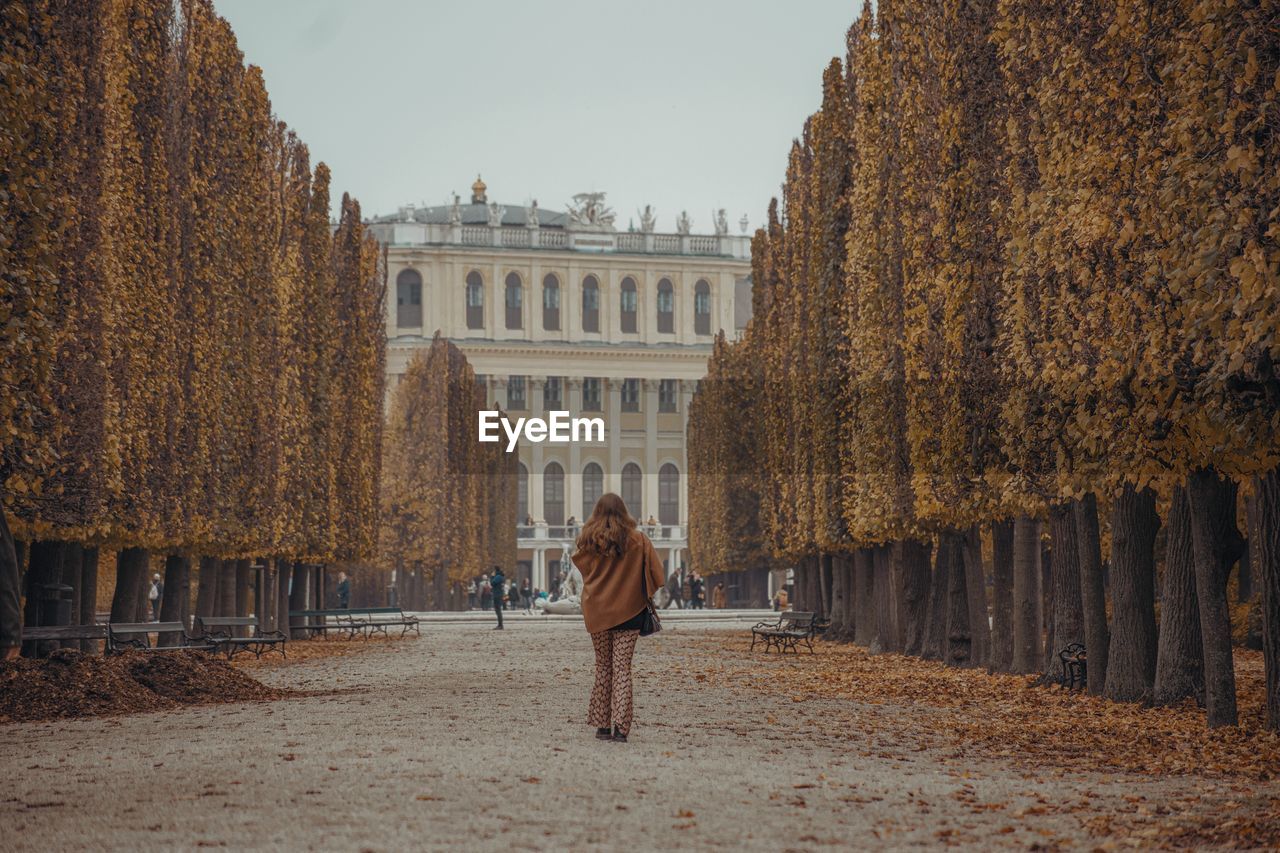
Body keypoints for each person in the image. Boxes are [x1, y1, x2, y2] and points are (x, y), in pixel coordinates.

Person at [573, 493, 663, 744]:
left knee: (603, 667)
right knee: (622, 668)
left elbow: (584, 571)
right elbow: (657, 573)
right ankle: (621, 729)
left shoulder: (588, 540)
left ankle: (602, 726)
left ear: (597, 512)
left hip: (598, 612)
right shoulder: (639, 540)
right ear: (624, 512)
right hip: (630, 612)